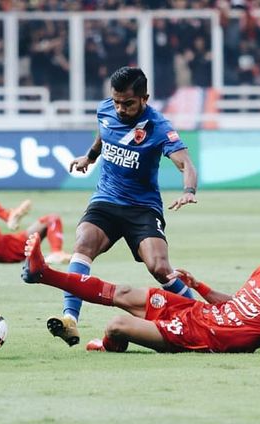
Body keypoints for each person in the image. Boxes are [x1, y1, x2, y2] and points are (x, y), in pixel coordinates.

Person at [50, 66, 198, 347]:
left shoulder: (159, 127)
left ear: (145, 98)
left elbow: (185, 163)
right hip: (106, 199)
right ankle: (70, 320)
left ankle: (198, 317)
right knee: (83, 244)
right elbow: (103, 135)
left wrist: (189, 190)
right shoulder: (106, 110)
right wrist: (90, 157)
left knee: (159, 267)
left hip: (142, 207)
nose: (120, 109)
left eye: (128, 103)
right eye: (116, 101)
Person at [22, 233, 260, 356]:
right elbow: (236, 305)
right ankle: (43, 273)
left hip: (198, 338)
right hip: (196, 312)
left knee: (116, 325)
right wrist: (199, 286)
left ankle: (106, 347)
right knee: (121, 291)